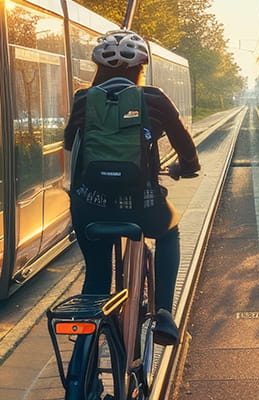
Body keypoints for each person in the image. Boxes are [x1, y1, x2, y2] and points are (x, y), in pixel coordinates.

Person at [62, 29, 200, 345]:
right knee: (170, 231)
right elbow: (187, 149)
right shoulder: (154, 98)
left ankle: (85, 358)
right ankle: (164, 311)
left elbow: (71, 142)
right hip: (143, 206)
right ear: (141, 68)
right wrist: (185, 167)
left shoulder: (84, 98)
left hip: (89, 205)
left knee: (97, 276)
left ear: (99, 68)